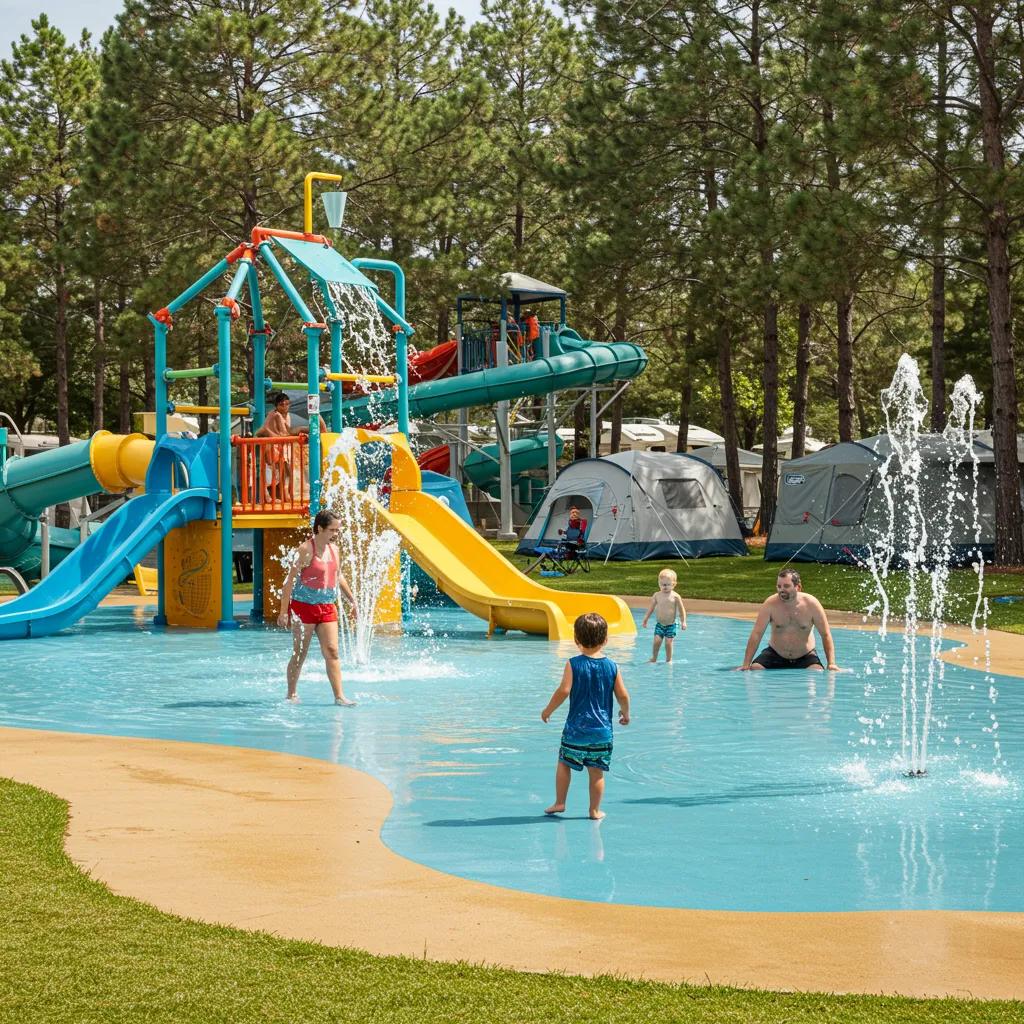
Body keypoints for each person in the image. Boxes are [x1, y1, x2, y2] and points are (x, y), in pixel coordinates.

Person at [541, 612, 630, 820]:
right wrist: (625, 713)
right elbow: (623, 695)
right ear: (606, 639)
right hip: (602, 732)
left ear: (576, 640)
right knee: (596, 772)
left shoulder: (573, 664)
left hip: (576, 730)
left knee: (564, 763)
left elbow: (563, 691)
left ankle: (560, 802)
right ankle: (594, 811)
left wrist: (548, 710)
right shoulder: (612, 666)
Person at [278, 509, 358, 705]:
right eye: (332, 530)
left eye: (338, 530)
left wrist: (352, 600)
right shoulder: (305, 550)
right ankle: (291, 694)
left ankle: (339, 697)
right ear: (320, 528)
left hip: (327, 606)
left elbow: (338, 575)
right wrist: (283, 612)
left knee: (332, 650)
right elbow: (288, 582)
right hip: (303, 607)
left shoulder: (335, 550)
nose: (336, 534)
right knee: (300, 652)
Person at [740, 568, 839, 671]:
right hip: (775, 654)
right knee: (755, 668)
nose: (781, 590)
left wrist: (831, 663)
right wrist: (746, 664)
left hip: (805, 656)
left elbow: (825, 634)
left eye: (786, 586)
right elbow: (757, 633)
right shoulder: (770, 604)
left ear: (798, 587)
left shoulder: (812, 605)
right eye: (779, 586)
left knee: (816, 671)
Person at [641, 568, 687, 663]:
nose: (664, 587)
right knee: (656, 642)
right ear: (659, 583)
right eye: (662, 584)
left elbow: (682, 610)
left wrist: (683, 622)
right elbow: (651, 608)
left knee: (668, 643)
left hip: (671, 625)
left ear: (674, 584)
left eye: (667, 584)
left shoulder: (675, 596)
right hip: (660, 625)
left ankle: (669, 660)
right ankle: (654, 658)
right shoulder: (657, 595)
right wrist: (646, 619)